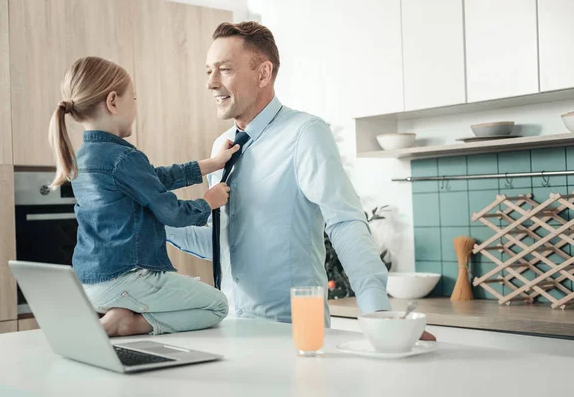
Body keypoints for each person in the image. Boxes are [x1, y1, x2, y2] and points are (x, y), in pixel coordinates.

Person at [166, 22, 440, 341]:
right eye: (208, 71)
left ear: (263, 73)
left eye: (224, 69)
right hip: (231, 327)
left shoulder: (305, 134)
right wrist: (153, 221)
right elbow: (224, 241)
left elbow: (345, 221)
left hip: (292, 331)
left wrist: (376, 309)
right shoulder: (221, 148)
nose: (212, 83)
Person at [48, 56, 239, 337]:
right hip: (127, 277)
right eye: (134, 98)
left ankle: (119, 314)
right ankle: (129, 323)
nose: (136, 107)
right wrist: (207, 203)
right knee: (217, 306)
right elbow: (171, 213)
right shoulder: (124, 156)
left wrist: (210, 164)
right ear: (113, 102)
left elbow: (153, 179)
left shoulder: (84, 158)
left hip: (89, 283)